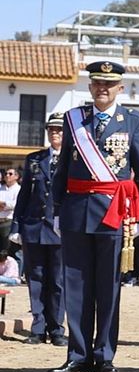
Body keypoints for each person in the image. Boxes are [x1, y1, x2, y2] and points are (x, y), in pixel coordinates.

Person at [50, 60, 139, 372]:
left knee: (108, 287)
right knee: (76, 288)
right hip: (76, 211)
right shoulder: (73, 119)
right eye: (96, 83)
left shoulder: (134, 121)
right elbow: (63, 168)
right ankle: (77, 355)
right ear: (90, 87)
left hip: (113, 213)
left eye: (109, 84)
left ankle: (104, 354)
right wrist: (56, 209)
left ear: (120, 88)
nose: (102, 88)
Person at [14, 114, 67, 346]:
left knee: (57, 281)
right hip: (34, 227)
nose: (55, 133)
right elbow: (24, 194)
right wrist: (16, 226)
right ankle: (38, 327)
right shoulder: (34, 159)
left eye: (59, 130)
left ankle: (56, 328)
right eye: (51, 129)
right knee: (36, 279)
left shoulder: (73, 160)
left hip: (59, 230)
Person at [0, 165, 18, 261]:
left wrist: (4, 204)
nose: (7, 175)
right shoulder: (1, 188)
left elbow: (17, 204)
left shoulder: (18, 189)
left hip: (8, 221)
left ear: (16, 176)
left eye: (10, 174)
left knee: (6, 249)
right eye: (6, 174)